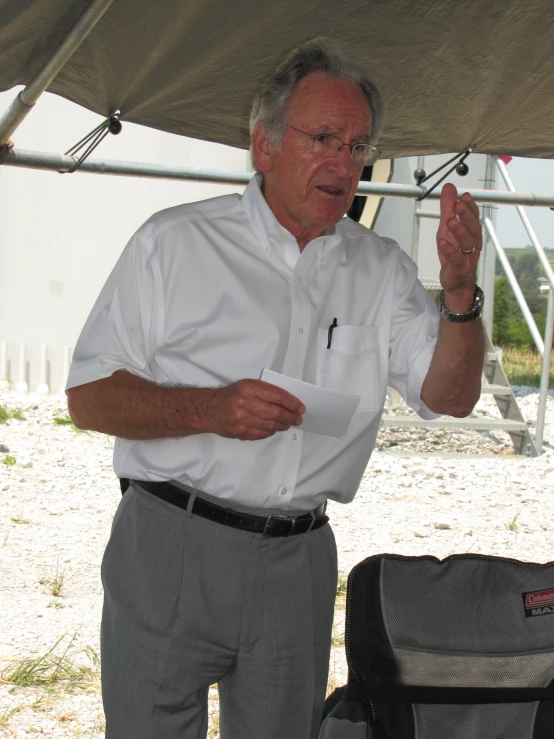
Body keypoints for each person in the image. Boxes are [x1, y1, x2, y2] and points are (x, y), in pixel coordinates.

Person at [67, 38, 484, 739]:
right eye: (323, 138)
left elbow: (450, 395)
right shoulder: (174, 244)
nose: (344, 162)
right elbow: (89, 396)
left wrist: (462, 290)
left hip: (298, 559)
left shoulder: (380, 268)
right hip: (172, 540)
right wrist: (211, 407)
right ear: (263, 145)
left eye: (357, 147)